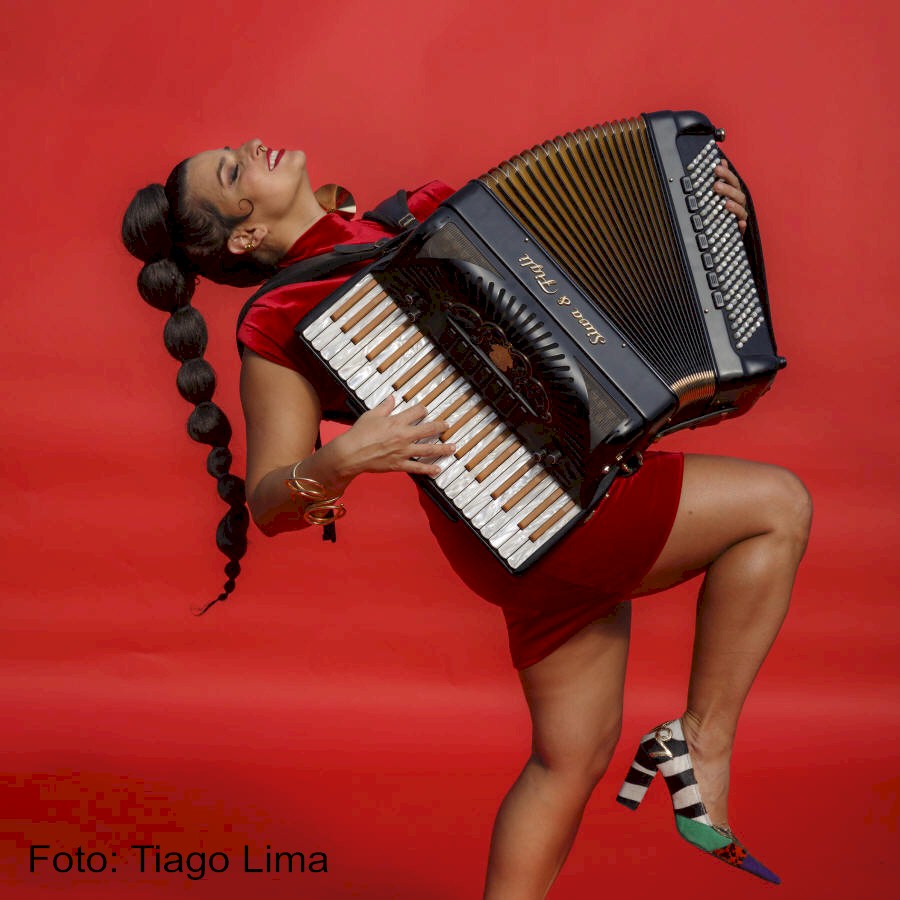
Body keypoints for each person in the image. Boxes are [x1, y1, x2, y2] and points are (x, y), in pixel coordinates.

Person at [122, 137, 812, 897]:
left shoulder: (411, 217)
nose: (253, 148)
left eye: (235, 150)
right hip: (545, 507)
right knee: (777, 508)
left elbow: (584, 307)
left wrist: (709, 227)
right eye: (234, 170)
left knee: (568, 760)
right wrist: (344, 457)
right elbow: (268, 504)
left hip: (517, 533)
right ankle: (701, 743)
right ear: (246, 233)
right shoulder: (278, 321)